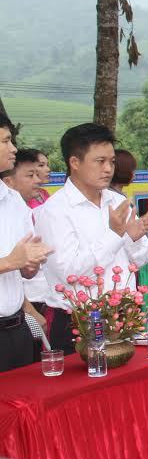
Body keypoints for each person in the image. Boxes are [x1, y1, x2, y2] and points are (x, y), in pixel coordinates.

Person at [36, 123, 148, 354]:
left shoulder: (115, 201)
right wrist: (114, 235)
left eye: (111, 162)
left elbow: (141, 260)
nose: (108, 169)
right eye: (100, 161)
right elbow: (70, 273)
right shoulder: (56, 210)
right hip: (78, 323)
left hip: (122, 319)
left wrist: (134, 238)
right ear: (75, 163)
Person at [0, 114, 53, 371]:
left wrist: (29, 264)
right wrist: (10, 262)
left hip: (15, 328)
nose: (13, 149)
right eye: (6, 141)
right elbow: (11, 261)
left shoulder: (13, 201)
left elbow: (24, 269)